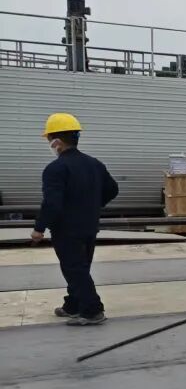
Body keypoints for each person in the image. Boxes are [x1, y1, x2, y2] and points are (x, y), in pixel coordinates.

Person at [31, 113, 119, 325]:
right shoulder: (94, 164)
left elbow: (52, 203)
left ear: (57, 142)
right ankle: (73, 305)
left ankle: (92, 311)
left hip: (67, 229)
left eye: (49, 140)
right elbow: (112, 189)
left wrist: (39, 228)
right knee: (80, 268)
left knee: (74, 269)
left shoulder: (55, 169)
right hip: (89, 225)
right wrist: (92, 206)